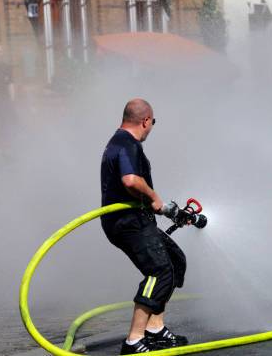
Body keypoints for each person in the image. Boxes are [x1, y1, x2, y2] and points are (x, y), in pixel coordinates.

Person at [100, 98, 188, 354]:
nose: (152, 127)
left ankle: (155, 328)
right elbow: (129, 181)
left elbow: (131, 187)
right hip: (127, 223)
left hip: (135, 219)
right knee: (159, 271)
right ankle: (134, 340)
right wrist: (154, 198)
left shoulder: (121, 142)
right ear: (146, 120)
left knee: (174, 260)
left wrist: (167, 210)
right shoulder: (127, 143)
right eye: (153, 122)